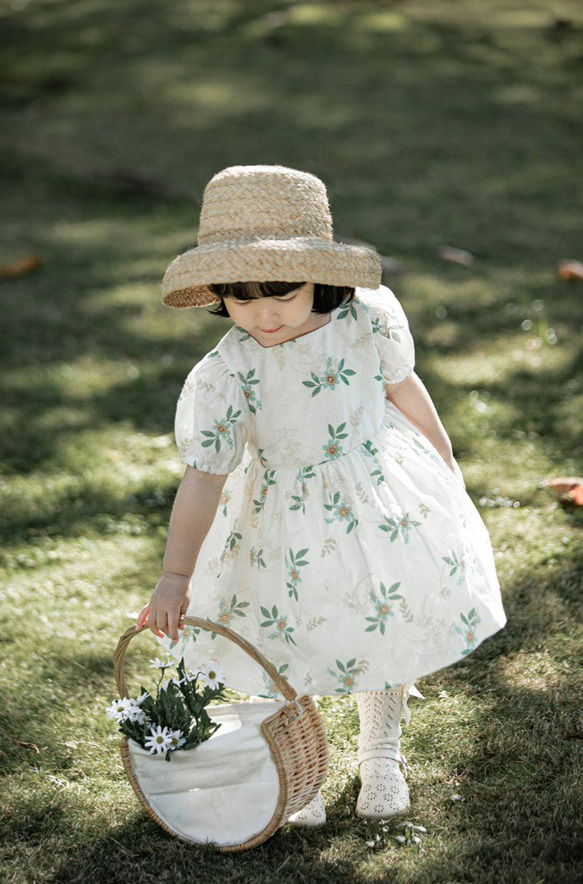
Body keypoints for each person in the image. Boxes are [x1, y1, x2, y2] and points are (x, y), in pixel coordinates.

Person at [137, 164, 506, 826]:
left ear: (323, 279)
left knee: (380, 611)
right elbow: (204, 476)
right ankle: (301, 763)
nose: (263, 314)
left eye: (280, 293)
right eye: (242, 298)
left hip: (376, 493)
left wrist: (444, 467)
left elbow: (402, 388)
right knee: (284, 632)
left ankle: (380, 751)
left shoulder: (367, 320)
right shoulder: (228, 370)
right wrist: (173, 576)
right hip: (278, 515)